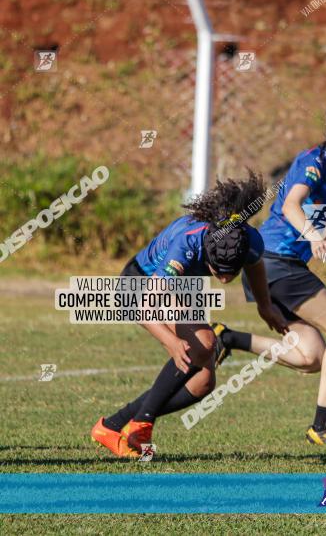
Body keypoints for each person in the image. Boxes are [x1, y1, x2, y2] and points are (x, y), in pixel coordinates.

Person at [214, 96, 326, 446]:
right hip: (271, 261)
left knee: (310, 356)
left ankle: (229, 338)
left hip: (285, 267)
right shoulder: (314, 160)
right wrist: (314, 236)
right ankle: (323, 424)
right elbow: (290, 204)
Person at [90, 172, 288, 457]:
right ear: (206, 253)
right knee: (204, 342)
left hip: (179, 288)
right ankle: (140, 425)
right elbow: (145, 303)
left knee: (203, 382)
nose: (224, 278)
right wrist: (171, 343)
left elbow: (256, 267)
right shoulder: (186, 244)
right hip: (139, 285)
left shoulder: (245, 237)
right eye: (217, 270)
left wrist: (265, 306)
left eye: (231, 273)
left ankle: (113, 425)